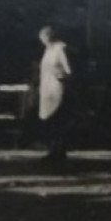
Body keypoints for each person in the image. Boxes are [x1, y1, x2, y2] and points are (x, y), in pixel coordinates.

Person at [37, 25, 73, 162]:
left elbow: (69, 69)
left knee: (58, 121)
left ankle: (60, 151)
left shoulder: (60, 48)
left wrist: (61, 76)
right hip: (47, 90)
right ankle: (52, 150)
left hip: (57, 89)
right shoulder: (47, 50)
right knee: (49, 122)